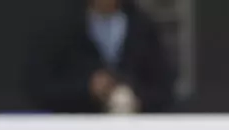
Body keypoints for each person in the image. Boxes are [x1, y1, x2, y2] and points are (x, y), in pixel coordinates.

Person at [24, 0, 176, 114]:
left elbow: (164, 88)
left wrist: (134, 97)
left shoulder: (143, 29)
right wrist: (87, 88)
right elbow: (39, 88)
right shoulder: (62, 30)